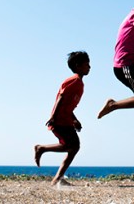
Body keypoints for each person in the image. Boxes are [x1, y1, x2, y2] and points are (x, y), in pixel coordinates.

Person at [34, 51, 90, 186]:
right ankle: (42, 149)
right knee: (72, 146)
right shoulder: (74, 81)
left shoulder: (80, 83)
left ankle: (57, 178)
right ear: (78, 66)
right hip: (59, 120)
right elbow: (61, 98)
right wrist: (53, 117)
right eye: (86, 64)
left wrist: (75, 120)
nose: (89, 67)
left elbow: (68, 106)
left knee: (74, 147)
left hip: (66, 119)